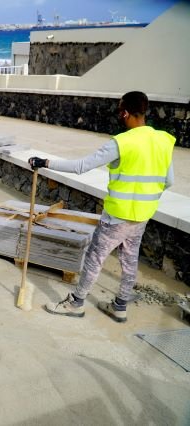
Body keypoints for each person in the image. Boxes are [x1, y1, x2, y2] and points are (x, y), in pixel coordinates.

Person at [28, 91, 175, 322]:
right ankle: (120, 306)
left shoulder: (122, 142)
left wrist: (45, 162)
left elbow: (81, 166)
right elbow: (169, 181)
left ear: (125, 112)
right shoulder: (163, 141)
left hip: (117, 217)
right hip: (143, 216)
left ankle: (76, 303)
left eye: (120, 111)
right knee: (129, 260)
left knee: (94, 258)